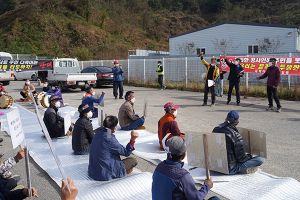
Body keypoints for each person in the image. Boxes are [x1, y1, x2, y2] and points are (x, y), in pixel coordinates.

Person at [152, 136, 219, 200]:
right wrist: (207, 186)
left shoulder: (159, 167)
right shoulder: (183, 176)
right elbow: (196, 198)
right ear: (183, 155)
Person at [88, 116, 138, 181]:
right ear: (115, 128)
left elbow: (108, 139)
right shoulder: (110, 139)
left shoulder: (98, 133)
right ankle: (121, 171)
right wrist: (132, 139)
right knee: (133, 160)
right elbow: (126, 152)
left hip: (93, 171)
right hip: (104, 174)